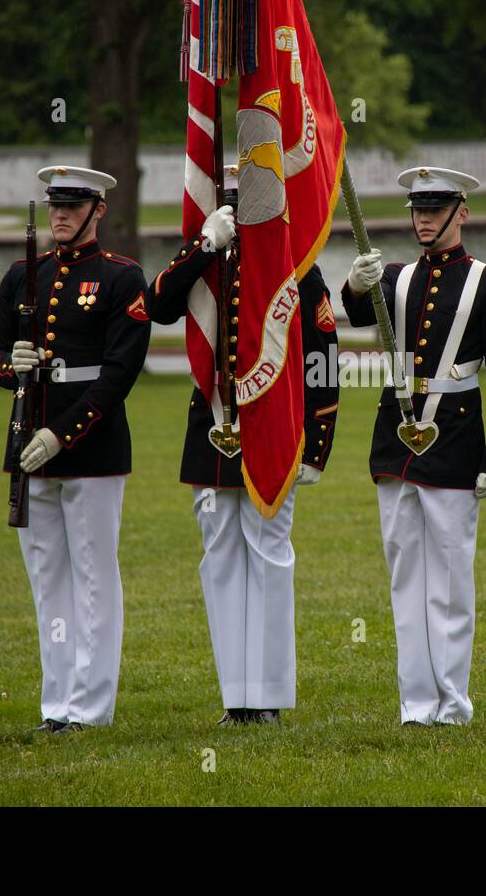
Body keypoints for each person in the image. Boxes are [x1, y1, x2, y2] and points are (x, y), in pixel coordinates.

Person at [145, 164, 340, 725]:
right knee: (221, 562)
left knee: (269, 557)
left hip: (272, 430)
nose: (239, 206)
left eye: (245, 196)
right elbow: (155, 305)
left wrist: (315, 447)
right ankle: (237, 697)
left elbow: (321, 359)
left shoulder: (296, 266)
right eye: (230, 198)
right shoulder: (204, 262)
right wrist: (204, 247)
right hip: (211, 429)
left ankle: (270, 696)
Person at [341, 166, 486, 726]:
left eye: (434, 208)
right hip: (396, 442)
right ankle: (416, 704)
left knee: (447, 578)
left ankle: (452, 704)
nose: (423, 219)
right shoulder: (393, 275)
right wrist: (353, 283)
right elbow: (350, 316)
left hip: (457, 441)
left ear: (460, 213)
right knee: (405, 578)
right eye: (417, 209)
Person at [0, 165, 151, 734]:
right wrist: (13, 367)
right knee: (48, 580)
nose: (60, 215)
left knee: (95, 578)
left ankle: (91, 707)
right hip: (28, 439)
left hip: (92, 447)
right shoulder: (20, 276)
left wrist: (63, 433)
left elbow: (118, 374)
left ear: (97, 210)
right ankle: (57, 705)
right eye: (55, 204)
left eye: (74, 205)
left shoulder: (122, 278)